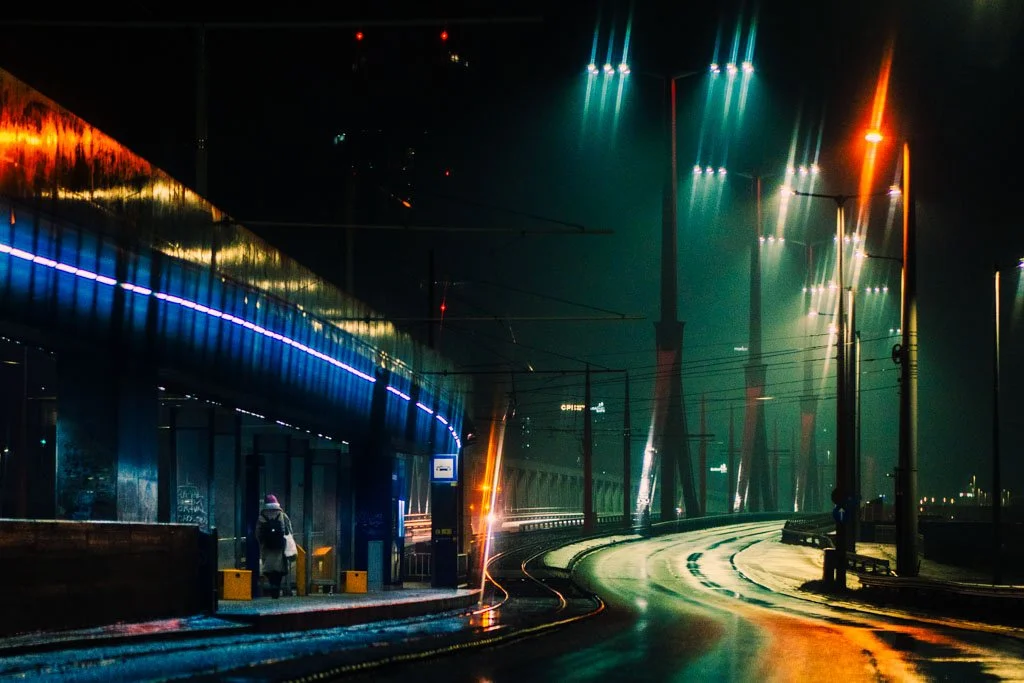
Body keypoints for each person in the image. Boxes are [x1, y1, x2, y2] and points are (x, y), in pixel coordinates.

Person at [256, 493, 294, 598]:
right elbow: (289, 529)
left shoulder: (262, 516)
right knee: (279, 569)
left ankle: (272, 585)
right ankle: (276, 587)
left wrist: (262, 542)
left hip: (267, 547)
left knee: (269, 568)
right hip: (280, 546)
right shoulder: (282, 515)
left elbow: (258, 532)